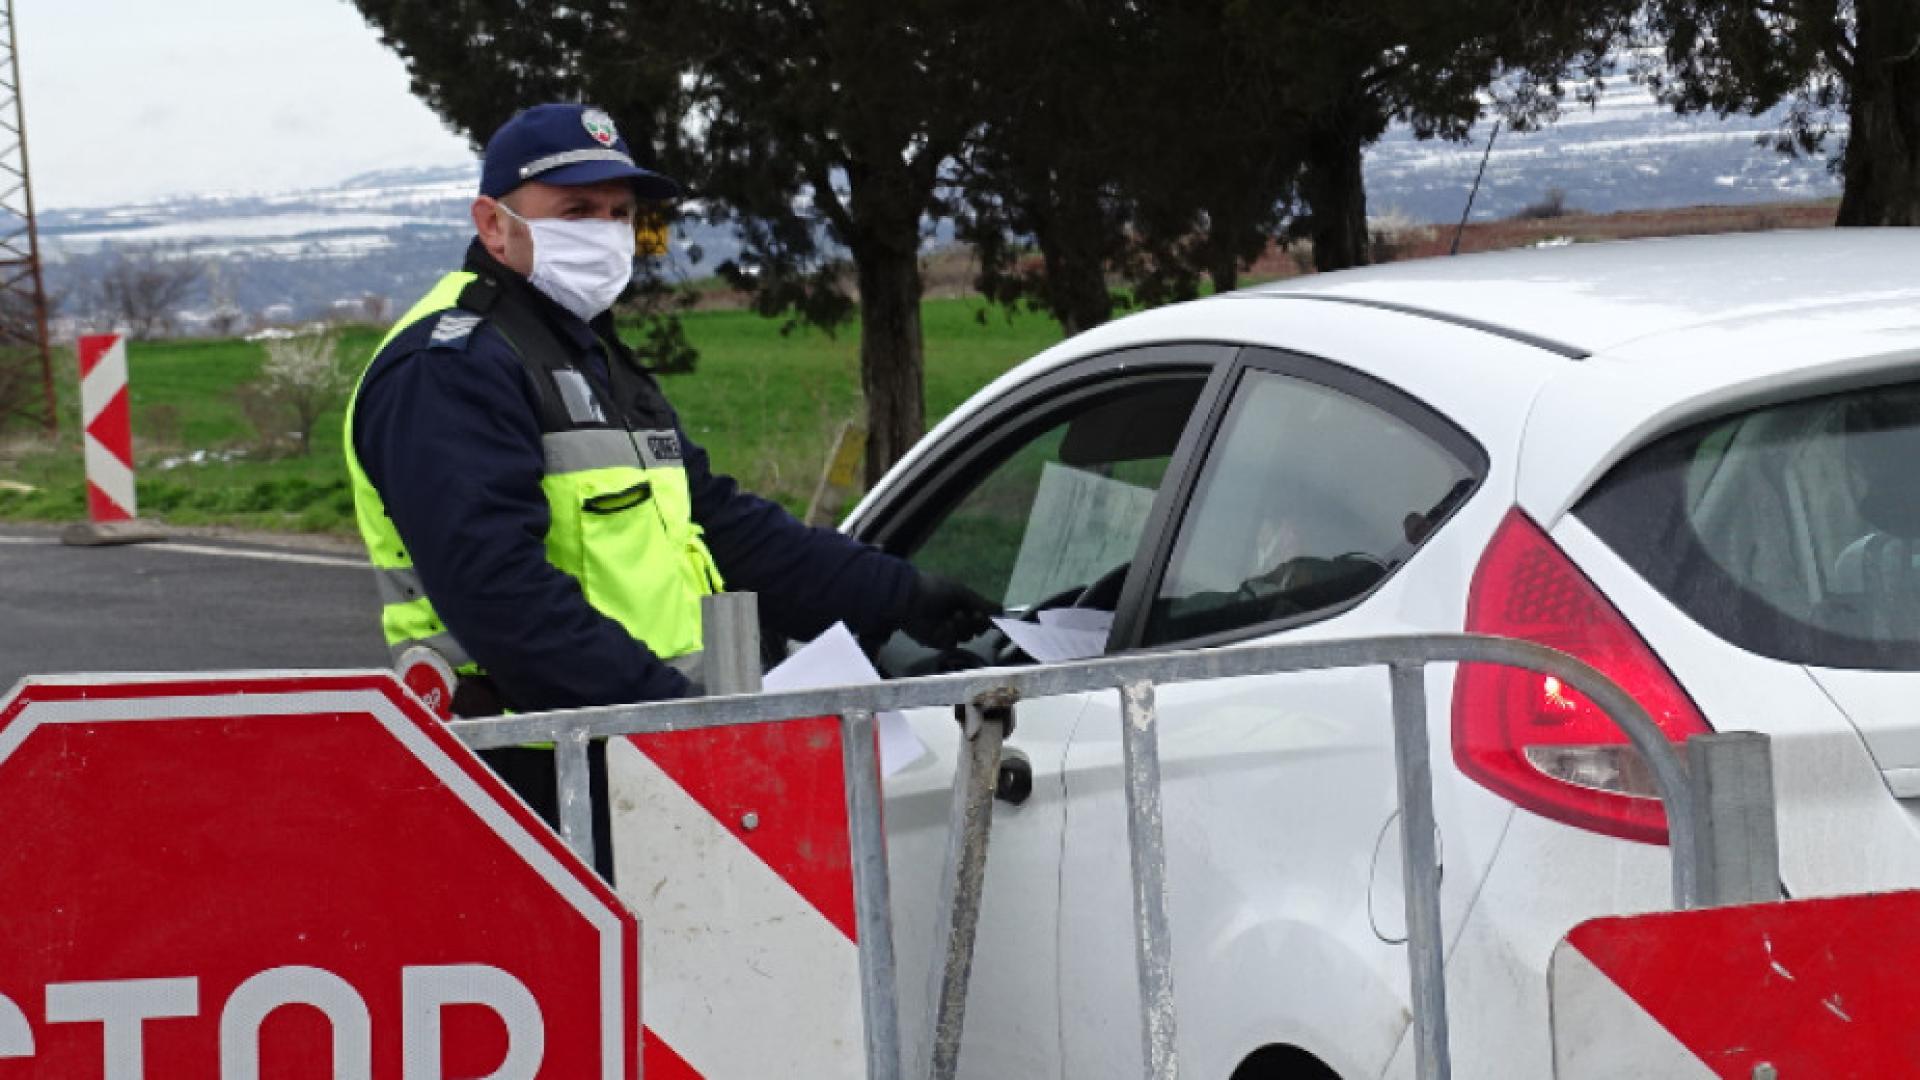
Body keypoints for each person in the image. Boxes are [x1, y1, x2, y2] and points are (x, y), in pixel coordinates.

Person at [344, 102, 996, 861]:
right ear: (493, 225)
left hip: (646, 768)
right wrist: (675, 720)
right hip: (537, 790)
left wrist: (897, 593)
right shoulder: (449, 367)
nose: (606, 232)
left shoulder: (589, 356)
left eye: (621, 213)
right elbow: (501, 595)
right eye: (576, 210)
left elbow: (722, 525)